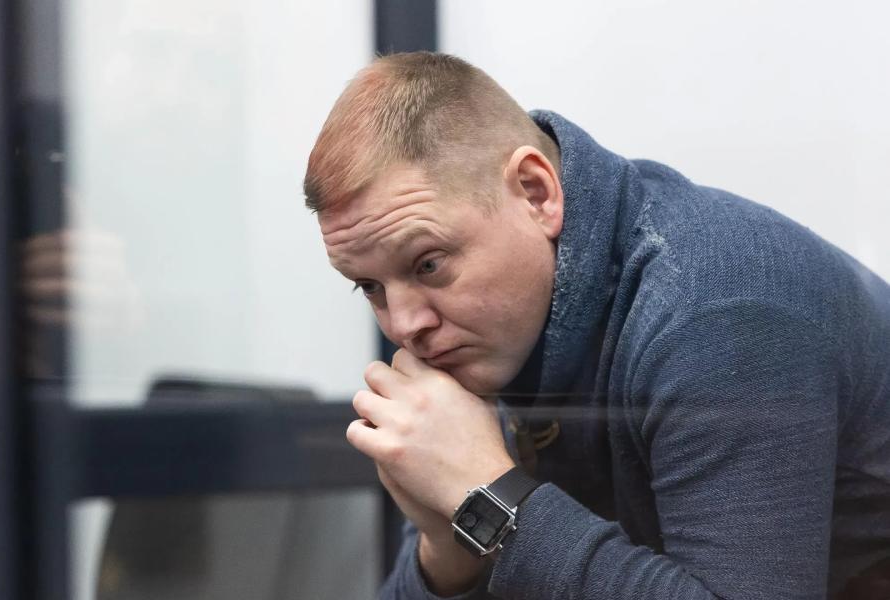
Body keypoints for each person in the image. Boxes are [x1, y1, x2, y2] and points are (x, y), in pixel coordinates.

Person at [304, 52, 890, 599]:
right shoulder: (491, 331)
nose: (406, 325)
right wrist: (449, 543)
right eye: (370, 286)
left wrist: (491, 495)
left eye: (429, 264)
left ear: (536, 193)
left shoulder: (717, 310)